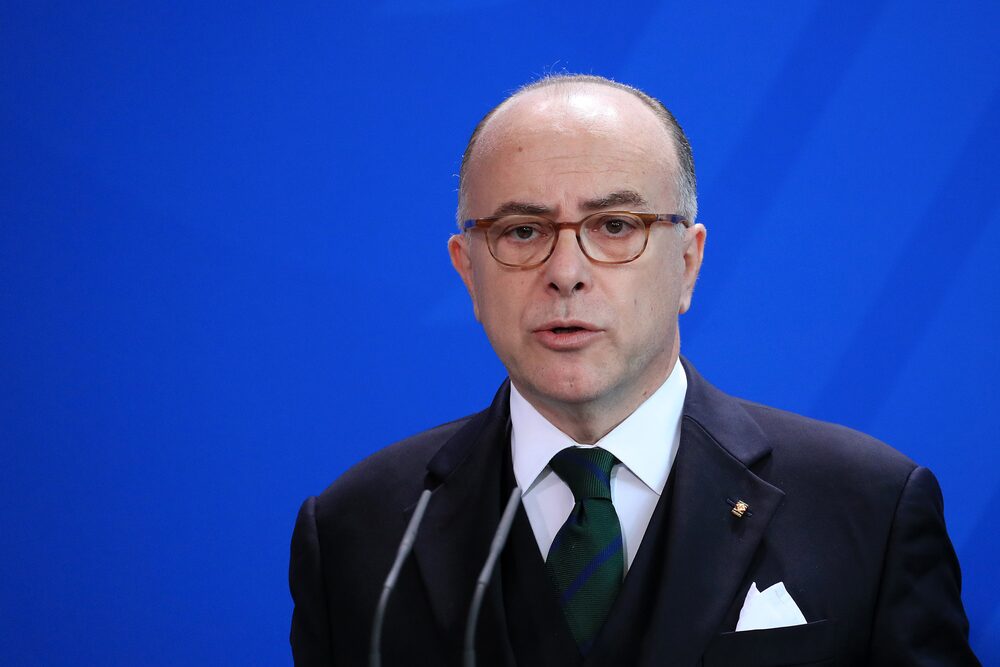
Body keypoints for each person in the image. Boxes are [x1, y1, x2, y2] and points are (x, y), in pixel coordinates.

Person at [289, 74, 979, 666]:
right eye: (522, 231)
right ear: (468, 271)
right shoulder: (361, 530)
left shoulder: (868, 506)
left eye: (615, 225)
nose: (566, 274)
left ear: (687, 261)